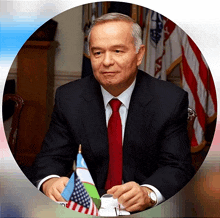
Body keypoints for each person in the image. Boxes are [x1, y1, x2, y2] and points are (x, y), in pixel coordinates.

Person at [31, 12, 194, 212]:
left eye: (117, 51)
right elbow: (50, 158)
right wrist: (51, 182)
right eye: (98, 52)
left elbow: (177, 166)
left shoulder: (169, 99)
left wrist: (149, 193)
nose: (106, 61)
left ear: (139, 54)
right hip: (89, 205)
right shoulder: (69, 98)